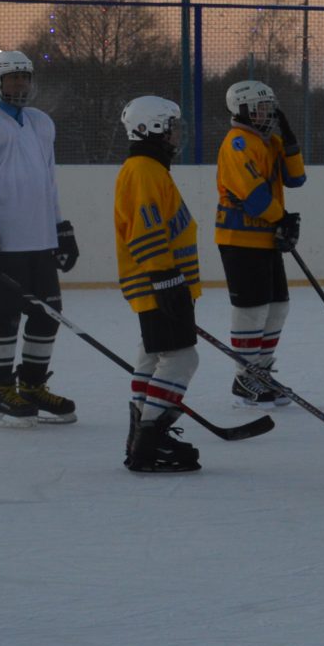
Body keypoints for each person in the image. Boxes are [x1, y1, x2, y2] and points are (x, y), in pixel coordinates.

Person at [0, 48, 79, 427]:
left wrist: (60, 228)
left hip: (39, 241)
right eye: (12, 78)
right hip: (3, 244)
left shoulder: (41, 123)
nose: (19, 84)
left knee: (47, 315)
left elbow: (48, 182)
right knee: (3, 316)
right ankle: (0, 391)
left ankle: (32, 387)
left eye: (24, 77)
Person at [113, 96, 203, 473]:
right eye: (171, 126)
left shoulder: (149, 168)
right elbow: (146, 229)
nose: (176, 134)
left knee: (154, 356)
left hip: (156, 281)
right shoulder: (145, 171)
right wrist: (167, 280)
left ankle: (140, 437)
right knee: (182, 357)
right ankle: (151, 437)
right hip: (158, 281)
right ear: (151, 129)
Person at [215, 78, 308, 406]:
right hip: (239, 239)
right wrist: (281, 219)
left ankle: (261, 371)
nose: (268, 114)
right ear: (242, 111)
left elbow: (296, 178)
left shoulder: (267, 141)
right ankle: (245, 378)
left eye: (271, 107)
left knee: (277, 306)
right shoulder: (237, 143)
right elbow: (253, 197)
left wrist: (290, 142)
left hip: (265, 239)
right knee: (251, 310)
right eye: (261, 108)